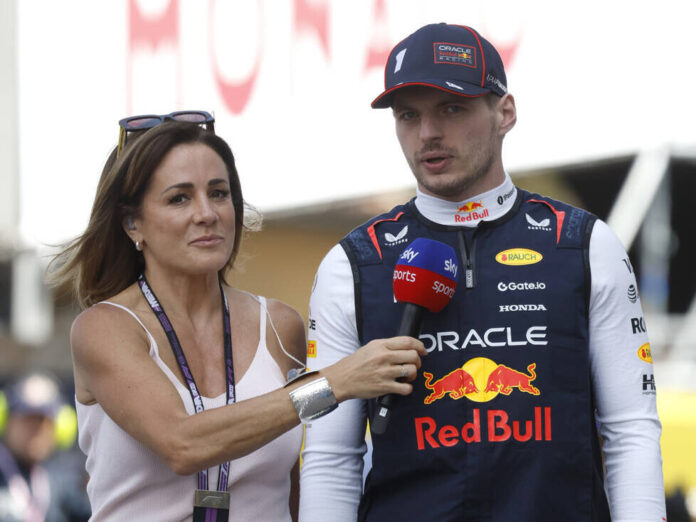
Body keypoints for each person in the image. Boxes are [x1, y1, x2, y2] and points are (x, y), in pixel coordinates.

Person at [299, 23, 666, 521]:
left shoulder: (583, 243)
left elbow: (631, 429)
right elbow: (331, 457)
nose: (428, 133)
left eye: (452, 108)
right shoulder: (353, 263)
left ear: (505, 113)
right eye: (409, 115)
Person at [48, 113, 425, 522]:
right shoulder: (105, 328)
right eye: (179, 198)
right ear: (132, 223)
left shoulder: (279, 325)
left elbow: (292, 481)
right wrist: (333, 383)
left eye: (219, 193)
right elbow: (183, 444)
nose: (206, 213)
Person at [0, 371, 89, 522]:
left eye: (43, 422)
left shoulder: (62, 483)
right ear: (6, 421)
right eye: (27, 419)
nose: (35, 431)